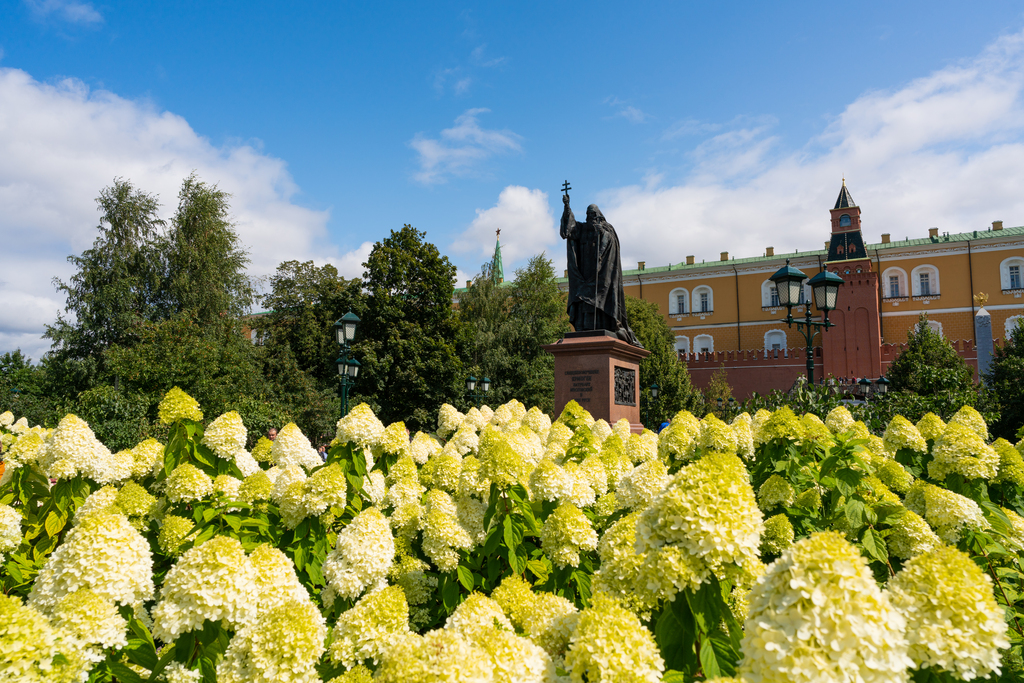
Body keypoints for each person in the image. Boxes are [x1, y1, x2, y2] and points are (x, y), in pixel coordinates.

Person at [560, 194, 641, 346]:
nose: (589, 217)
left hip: (601, 272)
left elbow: (611, 242)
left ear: (598, 216)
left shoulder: (606, 229)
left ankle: (604, 324)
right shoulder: (583, 229)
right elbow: (570, 230)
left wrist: (601, 233)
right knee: (583, 299)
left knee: (601, 298)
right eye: (587, 214)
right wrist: (567, 207)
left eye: (592, 214)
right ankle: (584, 326)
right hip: (584, 273)